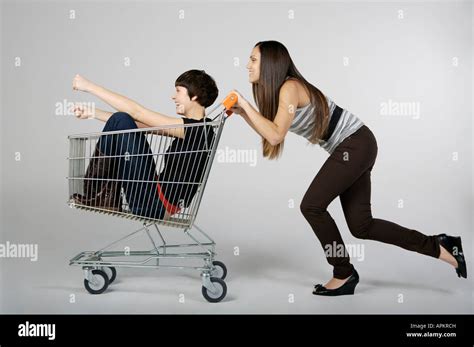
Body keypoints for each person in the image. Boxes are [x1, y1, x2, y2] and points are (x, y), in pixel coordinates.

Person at [229, 40, 467, 296]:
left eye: (253, 59)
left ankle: (343, 273)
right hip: (356, 146)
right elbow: (273, 132)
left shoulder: (290, 87)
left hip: (355, 146)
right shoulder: (283, 92)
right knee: (362, 226)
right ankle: (441, 245)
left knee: (311, 206)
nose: (247, 65)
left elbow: (275, 136)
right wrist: (245, 113)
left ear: (271, 64)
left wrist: (244, 104)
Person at [71, 69, 218, 220]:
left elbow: (137, 113)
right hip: (154, 196)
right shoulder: (197, 129)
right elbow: (138, 125)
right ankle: (101, 196)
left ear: (194, 95)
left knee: (121, 118)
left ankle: (98, 195)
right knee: (120, 119)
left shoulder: (199, 130)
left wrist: (89, 87)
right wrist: (93, 113)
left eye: (178, 91)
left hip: (154, 203)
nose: (173, 96)